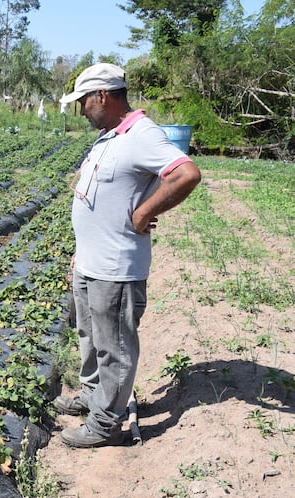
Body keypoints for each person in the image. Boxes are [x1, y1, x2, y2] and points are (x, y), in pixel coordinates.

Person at [55, 63, 202, 448]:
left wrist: (144, 212)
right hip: (90, 262)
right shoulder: (109, 136)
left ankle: (105, 423)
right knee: (90, 337)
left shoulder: (141, 134)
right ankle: (91, 397)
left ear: (102, 96)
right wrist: (79, 252)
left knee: (115, 347)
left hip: (115, 267)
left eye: (83, 102)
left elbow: (185, 173)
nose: (82, 110)